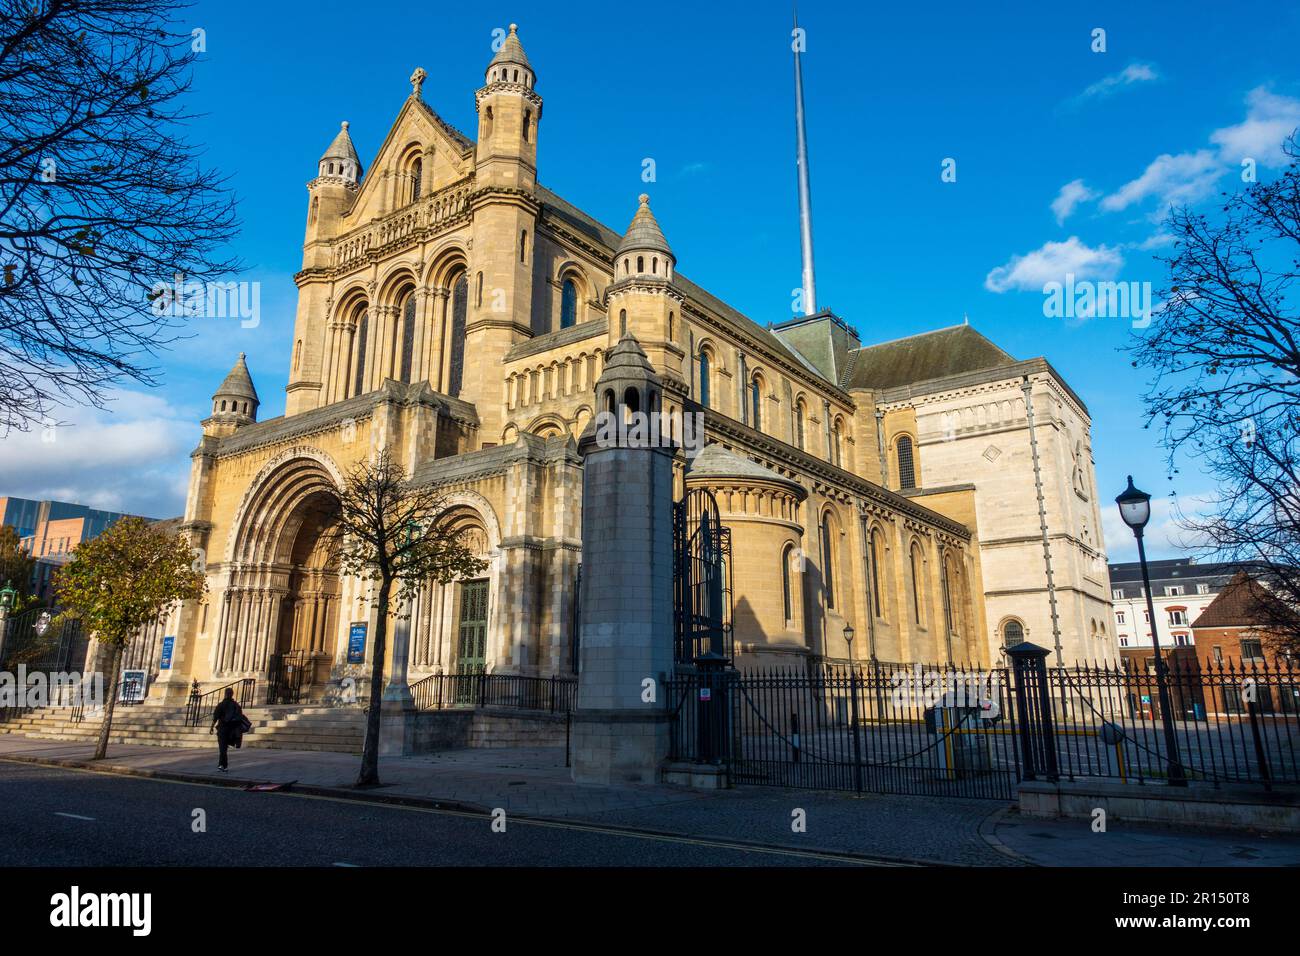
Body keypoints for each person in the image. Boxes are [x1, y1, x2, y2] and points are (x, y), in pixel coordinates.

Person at [210, 687, 246, 772]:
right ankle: (224, 766)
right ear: (232, 694)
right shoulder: (236, 705)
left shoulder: (221, 705)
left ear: (225, 694)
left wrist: (211, 727)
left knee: (222, 748)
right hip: (232, 730)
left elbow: (215, 717)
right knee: (224, 748)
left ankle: (222, 765)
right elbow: (240, 717)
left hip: (223, 729)